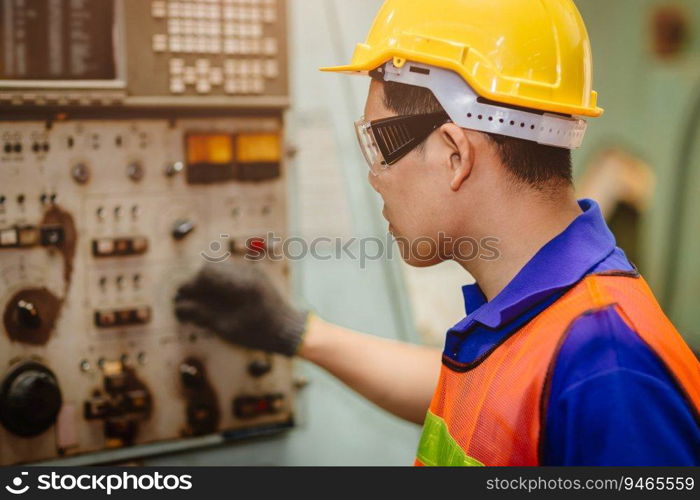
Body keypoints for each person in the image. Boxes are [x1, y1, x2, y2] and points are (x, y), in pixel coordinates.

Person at [174, 0, 700, 466]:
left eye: (376, 147)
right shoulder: (535, 320)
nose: (373, 177)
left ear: (454, 154)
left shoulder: (608, 370)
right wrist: (295, 333)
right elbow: (479, 397)